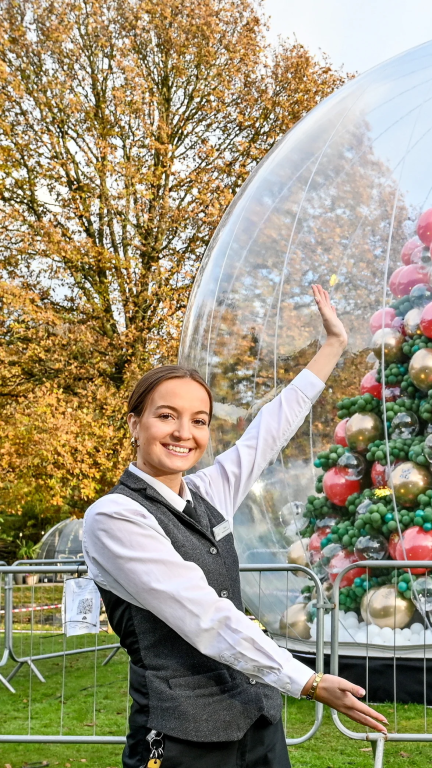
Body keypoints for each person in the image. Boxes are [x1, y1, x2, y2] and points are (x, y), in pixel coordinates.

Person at [83, 285, 387, 768]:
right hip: (182, 734)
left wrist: (333, 345)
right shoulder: (114, 517)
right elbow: (205, 616)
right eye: (166, 416)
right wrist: (306, 681)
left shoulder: (207, 492)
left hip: (256, 719)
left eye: (199, 420)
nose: (184, 433)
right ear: (135, 423)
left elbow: (269, 429)